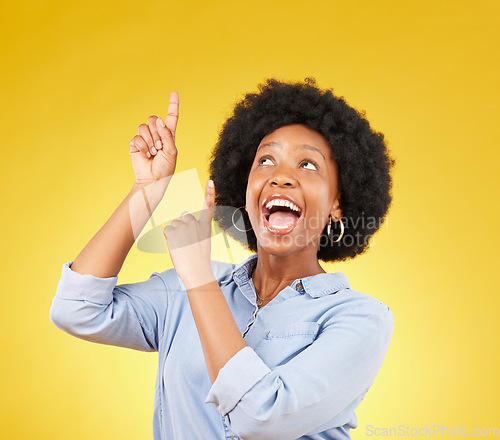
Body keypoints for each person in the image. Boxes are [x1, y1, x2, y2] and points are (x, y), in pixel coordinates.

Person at [50, 78, 396, 440]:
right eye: (266, 160)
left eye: (308, 165)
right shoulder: (180, 290)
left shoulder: (360, 318)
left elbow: (261, 418)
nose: (281, 177)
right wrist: (146, 192)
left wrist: (199, 281)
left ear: (338, 203)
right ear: (244, 191)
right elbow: (76, 309)